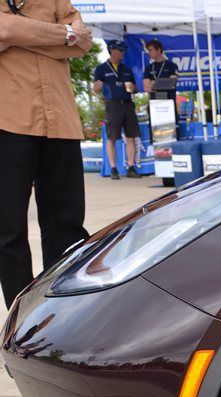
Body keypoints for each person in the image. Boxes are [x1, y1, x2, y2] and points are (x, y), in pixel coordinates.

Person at [0, 0, 94, 305]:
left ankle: (65, 313)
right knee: (9, 232)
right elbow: (3, 28)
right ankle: (22, 323)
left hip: (62, 122)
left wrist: (19, 36)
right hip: (8, 121)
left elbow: (82, 42)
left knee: (68, 230)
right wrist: (62, 35)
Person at [93, 41, 141, 179]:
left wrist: (134, 89)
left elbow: (136, 88)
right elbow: (96, 90)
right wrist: (98, 86)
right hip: (112, 104)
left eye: (123, 50)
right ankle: (113, 169)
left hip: (127, 103)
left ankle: (131, 167)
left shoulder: (127, 69)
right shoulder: (101, 69)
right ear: (112, 50)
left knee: (131, 136)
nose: (123, 52)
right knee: (112, 137)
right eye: (120, 50)